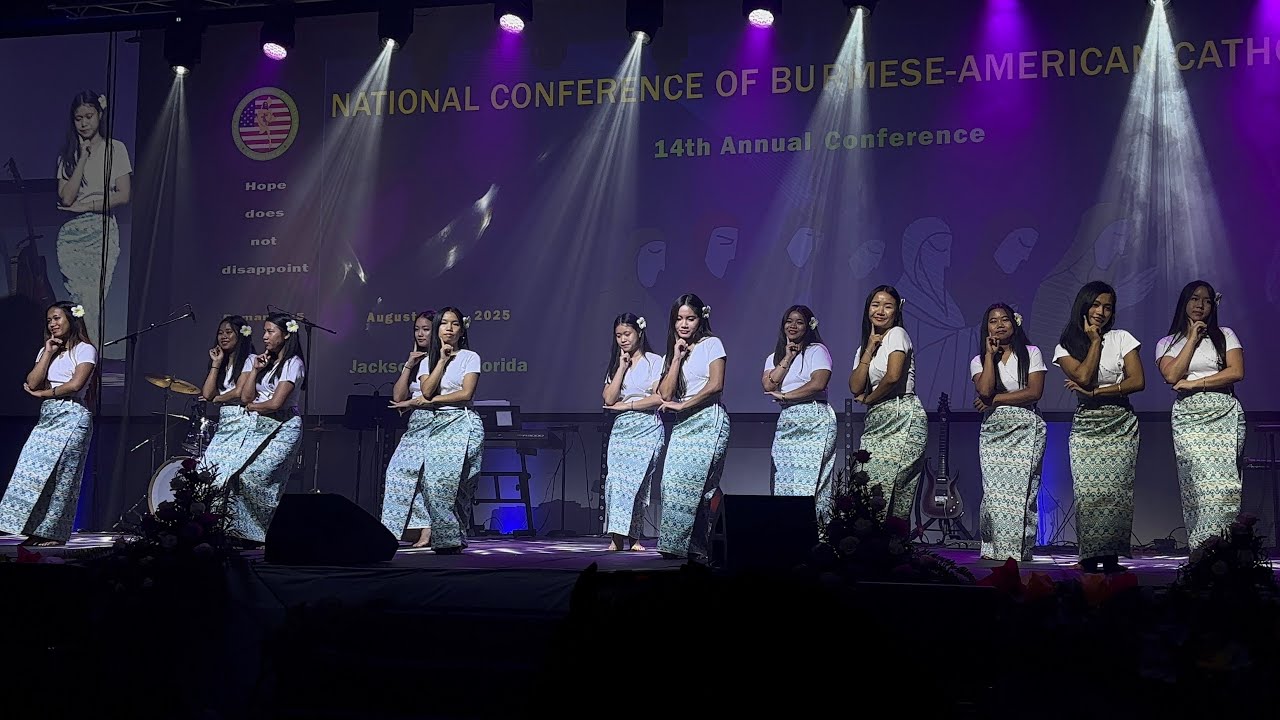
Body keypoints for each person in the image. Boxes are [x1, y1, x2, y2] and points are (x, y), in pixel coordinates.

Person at [1053, 281, 1144, 574]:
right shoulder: (1066, 345)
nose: (1101, 312)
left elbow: (1137, 381)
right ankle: (1090, 557)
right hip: (1087, 426)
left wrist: (1098, 393)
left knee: (1117, 492)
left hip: (1120, 423)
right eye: (1096, 305)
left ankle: (1112, 557)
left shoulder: (1122, 338)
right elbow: (1084, 375)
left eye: (1107, 307)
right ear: (1084, 305)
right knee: (1089, 494)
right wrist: (1094, 342)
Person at [1155, 281, 1245, 548]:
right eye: (1194, 299)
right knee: (1198, 483)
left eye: (1206, 301)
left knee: (1225, 484)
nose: (1200, 305)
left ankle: (1227, 550)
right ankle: (1202, 549)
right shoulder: (1167, 342)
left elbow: (1236, 372)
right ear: (1184, 302)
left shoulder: (1225, 335)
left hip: (1224, 412)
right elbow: (1172, 375)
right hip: (1189, 418)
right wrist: (1193, 338)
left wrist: (1196, 383)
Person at [387, 307, 483, 554]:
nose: (449, 329)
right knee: (400, 473)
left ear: (462, 330)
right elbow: (427, 390)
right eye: (444, 324)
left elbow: (465, 393)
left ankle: (448, 536)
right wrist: (441, 359)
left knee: (443, 481)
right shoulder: (429, 360)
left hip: (456, 421)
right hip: (430, 420)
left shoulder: (470, 356)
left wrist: (419, 402)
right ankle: (394, 533)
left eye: (454, 324)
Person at [0, 301, 96, 546]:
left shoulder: (85, 349)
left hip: (73, 415)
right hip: (49, 417)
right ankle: (31, 528)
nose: (52, 324)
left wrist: (46, 394)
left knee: (64, 477)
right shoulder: (47, 350)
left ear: (71, 320)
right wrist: (48, 352)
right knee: (30, 470)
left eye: (57, 319)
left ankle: (52, 534)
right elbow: (32, 382)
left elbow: (75, 384)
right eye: (49, 320)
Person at [971, 303, 1047, 562]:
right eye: (993, 321)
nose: (1000, 325)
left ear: (1015, 324)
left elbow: (1034, 393)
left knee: (1022, 491)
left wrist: (996, 400)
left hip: (1026, 427)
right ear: (986, 327)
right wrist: (990, 357)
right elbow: (984, 391)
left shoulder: (1031, 353)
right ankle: (993, 548)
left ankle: (1019, 549)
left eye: (1005, 320)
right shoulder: (979, 360)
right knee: (994, 493)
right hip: (993, 430)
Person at [656, 293, 729, 562]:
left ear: (701, 319)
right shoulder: (676, 351)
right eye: (679, 319)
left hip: (708, 420)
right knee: (672, 482)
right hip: (684, 422)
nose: (684, 324)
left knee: (698, 487)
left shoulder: (712, 344)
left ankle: (687, 547)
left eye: (690, 318)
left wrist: (683, 406)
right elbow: (665, 393)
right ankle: (692, 548)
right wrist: (676, 358)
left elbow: (716, 385)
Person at [55, 91, 132, 342]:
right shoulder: (68, 154)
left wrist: (87, 207)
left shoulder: (115, 149)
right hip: (71, 237)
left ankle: (91, 360)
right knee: (77, 304)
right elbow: (66, 198)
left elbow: (123, 195)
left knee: (94, 301)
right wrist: (83, 156)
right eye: (79, 118)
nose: (84, 123)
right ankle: (78, 360)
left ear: (100, 115)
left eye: (89, 116)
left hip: (101, 231)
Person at [849, 285, 927, 520]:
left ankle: (892, 548)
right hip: (877, 420)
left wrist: (870, 399)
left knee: (891, 489)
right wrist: (870, 348)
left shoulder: (897, 334)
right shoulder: (865, 347)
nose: (880, 311)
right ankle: (872, 545)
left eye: (887, 306)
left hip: (902, 415)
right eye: (875, 305)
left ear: (896, 311)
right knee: (866, 482)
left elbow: (892, 377)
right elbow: (854, 386)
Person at [233, 312, 306, 545]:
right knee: (242, 476)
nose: (264, 336)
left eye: (270, 331)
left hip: (284, 427)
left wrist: (253, 406)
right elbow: (245, 396)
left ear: (286, 335)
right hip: (261, 426)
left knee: (261, 476)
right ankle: (246, 532)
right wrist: (255, 370)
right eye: (264, 331)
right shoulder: (265, 361)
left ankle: (263, 532)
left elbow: (276, 403)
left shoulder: (293, 364)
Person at [762, 305, 835, 518]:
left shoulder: (817, 350)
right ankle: (787, 533)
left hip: (815, 420)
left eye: (799, 322)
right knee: (784, 480)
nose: (793, 326)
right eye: (789, 321)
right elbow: (769, 385)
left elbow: (818, 384)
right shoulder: (774, 357)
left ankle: (816, 536)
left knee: (810, 482)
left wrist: (786, 396)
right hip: (788, 422)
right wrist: (787, 357)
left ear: (809, 326)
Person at [601, 313, 665, 552]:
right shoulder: (617, 363)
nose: (623, 340)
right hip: (622, 429)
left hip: (648, 426)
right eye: (618, 335)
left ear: (639, 333)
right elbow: (608, 399)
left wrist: (628, 404)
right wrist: (621, 366)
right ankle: (616, 537)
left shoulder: (655, 361)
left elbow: (660, 397)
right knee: (617, 482)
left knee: (639, 484)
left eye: (627, 334)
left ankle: (634, 537)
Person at [381, 311, 437, 548]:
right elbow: (397, 397)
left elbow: (428, 394)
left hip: (437, 421)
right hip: (416, 424)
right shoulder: (419, 361)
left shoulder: (439, 360)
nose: (420, 333)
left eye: (426, 328)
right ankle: (399, 530)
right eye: (417, 329)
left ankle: (428, 530)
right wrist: (408, 364)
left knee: (427, 478)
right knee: (397, 472)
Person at [199, 316, 256, 484]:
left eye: (229, 332)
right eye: (220, 333)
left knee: (228, 472)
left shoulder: (251, 359)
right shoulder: (221, 363)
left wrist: (218, 399)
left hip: (242, 420)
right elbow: (207, 393)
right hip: (225, 421)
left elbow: (239, 392)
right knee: (209, 468)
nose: (223, 336)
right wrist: (216, 363)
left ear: (240, 335)